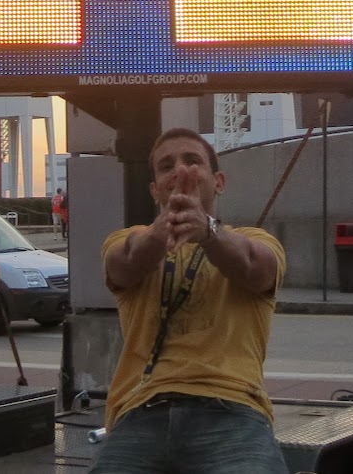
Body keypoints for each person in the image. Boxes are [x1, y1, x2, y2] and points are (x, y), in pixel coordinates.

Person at [94, 128, 288, 474]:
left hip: (233, 410)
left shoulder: (255, 239)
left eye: (192, 161)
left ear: (219, 182)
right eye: (166, 166)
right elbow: (123, 266)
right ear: (156, 190)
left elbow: (254, 268)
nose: (180, 171)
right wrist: (162, 228)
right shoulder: (130, 238)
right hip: (140, 411)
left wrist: (208, 231)